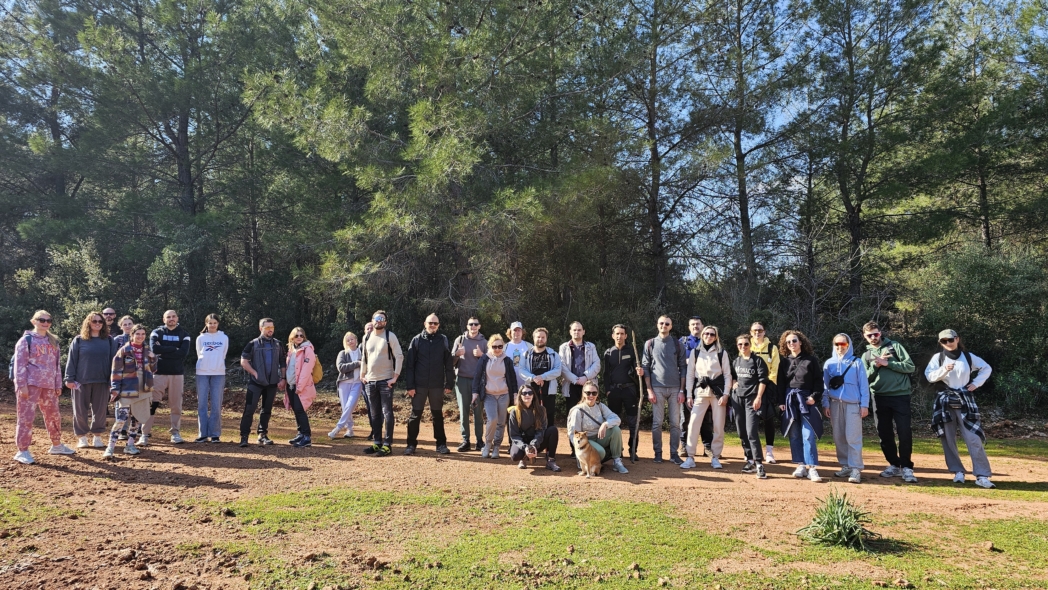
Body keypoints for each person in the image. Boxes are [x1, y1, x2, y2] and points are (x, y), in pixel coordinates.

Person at [925, 329, 994, 489]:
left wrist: (976, 384)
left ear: (957, 339)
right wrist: (944, 370)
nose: (948, 343)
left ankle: (982, 475)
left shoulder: (968, 357)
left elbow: (987, 368)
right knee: (948, 438)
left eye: (950, 339)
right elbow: (929, 376)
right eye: (944, 341)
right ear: (940, 343)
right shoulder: (938, 358)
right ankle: (957, 472)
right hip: (945, 401)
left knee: (973, 437)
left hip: (965, 400)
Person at [12, 310, 74, 464]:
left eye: (48, 320)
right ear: (34, 321)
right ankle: (23, 450)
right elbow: (19, 365)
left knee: (54, 416)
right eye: (42, 320)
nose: (45, 323)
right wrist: (22, 386)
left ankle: (57, 445)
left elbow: (56, 366)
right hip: (30, 385)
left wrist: (58, 384)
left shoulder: (53, 341)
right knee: (26, 418)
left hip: (49, 387)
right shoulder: (26, 340)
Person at [860, 321, 917, 483]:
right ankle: (893, 464)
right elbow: (865, 378)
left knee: (904, 431)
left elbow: (910, 366)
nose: (873, 337)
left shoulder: (895, 347)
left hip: (900, 395)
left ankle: (907, 467)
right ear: (864, 337)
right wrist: (876, 366)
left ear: (880, 333)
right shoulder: (866, 356)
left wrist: (888, 363)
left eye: (875, 334)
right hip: (878, 396)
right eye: (869, 335)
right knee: (884, 433)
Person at [776, 330, 824, 482]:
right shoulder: (784, 362)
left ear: (801, 342)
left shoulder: (811, 360)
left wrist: (814, 397)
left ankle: (812, 468)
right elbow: (781, 384)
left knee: (808, 434)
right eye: (788, 342)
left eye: (794, 341)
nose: (792, 344)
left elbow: (818, 381)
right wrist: (781, 402)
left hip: (806, 399)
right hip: (790, 400)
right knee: (795, 434)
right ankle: (800, 465)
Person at [65, 311, 118, 449]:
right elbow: (71, 360)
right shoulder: (79, 340)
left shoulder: (109, 340)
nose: (98, 324)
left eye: (100, 322)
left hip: (102, 381)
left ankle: (97, 436)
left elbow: (114, 362)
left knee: (100, 411)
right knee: (80, 411)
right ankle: (82, 437)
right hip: (81, 381)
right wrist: (69, 378)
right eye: (94, 321)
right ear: (88, 323)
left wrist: (113, 382)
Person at [681, 326, 732, 470]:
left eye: (712, 334)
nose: (709, 336)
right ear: (702, 335)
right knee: (693, 424)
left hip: (718, 393)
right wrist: (689, 394)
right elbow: (690, 374)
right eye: (706, 334)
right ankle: (690, 457)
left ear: (716, 337)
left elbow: (728, 375)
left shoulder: (722, 353)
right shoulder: (696, 352)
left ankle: (715, 457)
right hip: (701, 391)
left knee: (718, 425)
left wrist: (726, 394)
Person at [403, 314, 455, 455]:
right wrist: (410, 386)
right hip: (419, 386)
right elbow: (410, 366)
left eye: (435, 323)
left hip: (437, 385)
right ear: (424, 324)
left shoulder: (443, 340)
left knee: (437, 415)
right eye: (430, 323)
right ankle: (411, 445)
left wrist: (449, 383)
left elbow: (448, 364)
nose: (433, 325)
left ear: (438, 325)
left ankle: (441, 444)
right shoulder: (417, 340)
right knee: (415, 415)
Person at [822, 334, 870, 484]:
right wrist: (825, 403)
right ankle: (846, 465)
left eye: (843, 344)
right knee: (839, 437)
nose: (840, 347)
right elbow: (825, 386)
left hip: (853, 404)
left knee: (853, 436)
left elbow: (863, 385)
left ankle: (856, 468)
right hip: (835, 404)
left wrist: (864, 405)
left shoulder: (857, 363)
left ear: (849, 345)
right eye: (837, 344)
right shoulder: (829, 363)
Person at [641, 315, 687, 464]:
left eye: (667, 324)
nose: (664, 325)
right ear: (657, 325)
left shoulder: (678, 344)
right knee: (657, 423)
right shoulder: (650, 344)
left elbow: (683, 368)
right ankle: (658, 453)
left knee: (675, 423)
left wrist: (682, 390)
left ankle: (674, 453)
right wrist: (649, 390)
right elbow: (645, 367)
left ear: (671, 326)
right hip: (657, 387)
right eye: (661, 323)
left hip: (675, 389)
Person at [105, 324, 156, 458]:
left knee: (137, 418)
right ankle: (110, 447)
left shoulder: (146, 350)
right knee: (121, 418)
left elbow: (154, 369)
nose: (140, 336)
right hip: (127, 388)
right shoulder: (124, 350)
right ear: (132, 335)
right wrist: (115, 389)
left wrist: (153, 358)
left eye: (143, 334)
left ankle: (130, 445)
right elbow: (115, 371)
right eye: (137, 334)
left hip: (143, 387)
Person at [361, 310, 404, 457]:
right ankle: (377, 442)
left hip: (386, 381)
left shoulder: (389, 336)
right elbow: (364, 358)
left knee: (387, 412)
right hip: (370, 381)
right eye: (377, 318)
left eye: (382, 319)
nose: (379, 321)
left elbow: (399, 356)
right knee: (374, 413)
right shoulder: (366, 337)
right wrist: (362, 375)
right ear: (372, 320)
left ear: (385, 322)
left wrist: (395, 377)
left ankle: (387, 445)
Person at [145, 310, 191, 445]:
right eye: (168, 317)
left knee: (176, 405)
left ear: (177, 318)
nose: (171, 319)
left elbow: (183, 353)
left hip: (177, 374)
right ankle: (145, 433)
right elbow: (154, 348)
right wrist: (174, 349)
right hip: (158, 373)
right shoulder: (157, 332)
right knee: (152, 403)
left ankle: (175, 432)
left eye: (173, 316)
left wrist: (164, 349)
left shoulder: (184, 334)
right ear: (163, 319)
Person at [239, 318, 287, 447]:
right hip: (256, 383)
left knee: (267, 410)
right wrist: (254, 373)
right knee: (249, 409)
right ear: (261, 329)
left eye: (272, 327)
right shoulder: (253, 344)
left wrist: (283, 378)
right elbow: (243, 361)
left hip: (272, 383)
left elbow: (283, 361)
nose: (270, 330)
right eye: (267, 328)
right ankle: (244, 437)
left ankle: (262, 435)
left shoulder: (278, 344)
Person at [602, 325, 644, 462]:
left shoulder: (632, 351)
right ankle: (617, 451)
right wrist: (608, 390)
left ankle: (633, 450)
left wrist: (640, 371)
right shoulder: (608, 353)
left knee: (633, 422)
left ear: (626, 336)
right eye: (617, 334)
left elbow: (637, 369)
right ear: (613, 335)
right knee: (614, 423)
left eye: (622, 334)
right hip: (614, 391)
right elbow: (606, 374)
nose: (619, 336)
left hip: (629, 391)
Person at [566, 383, 629, 473]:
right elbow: (573, 434)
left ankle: (617, 461)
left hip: (599, 437)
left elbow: (616, 419)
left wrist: (605, 424)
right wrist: (580, 452)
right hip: (586, 441)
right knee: (601, 452)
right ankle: (584, 462)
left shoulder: (600, 406)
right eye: (588, 393)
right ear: (583, 394)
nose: (591, 395)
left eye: (594, 393)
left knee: (615, 429)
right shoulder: (577, 410)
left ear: (597, 394)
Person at [472, 334, 518, 459]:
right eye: (494, 346)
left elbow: (512, 379)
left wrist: (515, 394)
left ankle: (496, 446)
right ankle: (487, 445)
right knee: (492, 419)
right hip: (489, 395)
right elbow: (477, 377)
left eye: (500, 346)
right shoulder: (484, 359)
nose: (497, 349)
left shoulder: (507, 360)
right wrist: (475, 393)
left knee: (501, 422)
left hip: (504, 395)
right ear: (489, 346)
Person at [730, 334, 769, 479]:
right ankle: (750, 460)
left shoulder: (758, 361)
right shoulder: (736, 361)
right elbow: (732, 375)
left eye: (745, 344)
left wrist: (758, 397)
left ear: (750, 344)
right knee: (741, 432)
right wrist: (733, 382)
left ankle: (759, 464)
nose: (743, 347)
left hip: (751, 399)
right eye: (740, 344)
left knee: (751, 431)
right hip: (737, 398)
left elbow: (763, 380)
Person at [451, 317, 487, 452]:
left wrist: (482, 355)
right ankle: (465, 440)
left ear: (479, 326)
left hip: (478, 381)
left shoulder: (484, 342)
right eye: (471, 324)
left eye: (475, 324)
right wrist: (456, 354)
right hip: (462, 380)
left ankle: (479, 441)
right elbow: (451, 361)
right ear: (467, 326)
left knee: (478, 412)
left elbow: (491, 361)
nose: (473, 326)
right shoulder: (460, 340)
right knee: (464, 411)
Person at [679, 316, 713, 458]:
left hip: (705, 384)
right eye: (692, 324)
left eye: (698, 324)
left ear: (702, 325)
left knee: (706, 417)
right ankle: (683, 445)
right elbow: (677, 362)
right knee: (685, 417)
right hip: (686, 384)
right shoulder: (682, 342)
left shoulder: (710, 341)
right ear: (689, 327)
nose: (695, 326)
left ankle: (707, 447)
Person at [507, 384, 561, 472]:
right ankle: (524, 458)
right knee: (515, 455)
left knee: (552, 430)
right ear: (520, 396)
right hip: (523, 442)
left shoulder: (541, 410)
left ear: (533, 395)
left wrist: (533, 445)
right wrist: (525, 447)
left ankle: (551, 460)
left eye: (530, 393)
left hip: (537, 442)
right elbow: (514, 435)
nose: (527, 395)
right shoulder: (514, 412)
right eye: (524, 393)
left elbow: (541, 430)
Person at [195, 314, 228, 443]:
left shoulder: (224, 338)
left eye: (215, 323)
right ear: (206, 324)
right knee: (202, 403)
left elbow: (223, 353)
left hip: (218, 372)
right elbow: (199, 353)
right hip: (202, 372)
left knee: (216, 403)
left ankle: (215, 434)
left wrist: (216, 364)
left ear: (218, 324)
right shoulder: (200, 338)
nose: (212, 325)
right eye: (210, 323)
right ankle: (202, 433)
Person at [750, 322, 780, 463]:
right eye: (755, 330)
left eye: (760, 330)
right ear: (751, 332)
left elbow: (774, 370)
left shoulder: (771, 348)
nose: (757, 333)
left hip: (767, 388)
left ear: (764, 331)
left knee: (768, 420)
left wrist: (766, 386)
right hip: (750, 388)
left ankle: (769, 452)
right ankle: (752, 451)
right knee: (752, 420)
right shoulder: (746, 346)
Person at [520, 327, 563, 426]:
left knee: (548, 416)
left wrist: (542, 377)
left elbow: (558, 370)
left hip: (549, 391)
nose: (540, 339)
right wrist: (533, 378)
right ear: (534, 338)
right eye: (538, 337)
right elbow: (521, 370)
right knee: (531, 416)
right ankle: (532, 440)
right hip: (530, 392)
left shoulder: (553, 354)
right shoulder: (525, 354)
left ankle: (548, 440)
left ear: (546, 338)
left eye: (543, 337)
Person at [558, 322, 600, 421]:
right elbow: (562, 366)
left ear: (583, 332)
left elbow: (597, 364)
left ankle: (589, 436)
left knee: (589, 415)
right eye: (574, 330)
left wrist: (585, 377)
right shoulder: (563, 347)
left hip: (588, 385)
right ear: (570, 332)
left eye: (579, 330)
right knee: (572, 415)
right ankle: (572, 436)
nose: (577, 332)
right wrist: (575, 379)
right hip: (571, 385)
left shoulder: (591, 346)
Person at [285, 327, 318, 447]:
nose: (299, 338)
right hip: (291, 385)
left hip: (300, 387)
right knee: (296, 410)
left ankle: (307, 436)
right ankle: (300, 433)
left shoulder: (307, 350)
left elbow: (306, 370)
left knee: (300, 410)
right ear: (292, 337)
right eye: (296, 335)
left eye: (301, 336)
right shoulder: (292, 350)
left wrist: (300, 386)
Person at [330, 331, 363, 438]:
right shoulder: (343, 353)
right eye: (348, 340)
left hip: (358, 383)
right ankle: (350, 430)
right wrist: (357, 363)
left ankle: (338, 428)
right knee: (345, 408)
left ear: (356, 340)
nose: (350, 341)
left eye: (352, 339)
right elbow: (341, 368)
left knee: (349, 406)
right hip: (344, 384)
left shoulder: (362, 352)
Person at [113, 315, 137, 440]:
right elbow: (112, 357)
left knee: (134, 403)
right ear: (121, 326)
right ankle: (121, 429)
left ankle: (132, 429)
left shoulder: (138, 338)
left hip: (135, 376)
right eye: (125, 324)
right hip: (120, 376)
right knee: (120, 404)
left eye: (130, 323)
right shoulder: (117, 339)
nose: (128, 326)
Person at [504, 321, 532, 388]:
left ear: (522, 332)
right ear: (510, 332)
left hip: (526, 382)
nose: (517, 332)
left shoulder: (529, 346)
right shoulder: (505, 347)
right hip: (509, 382)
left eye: (519, 330)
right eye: (514, 330)